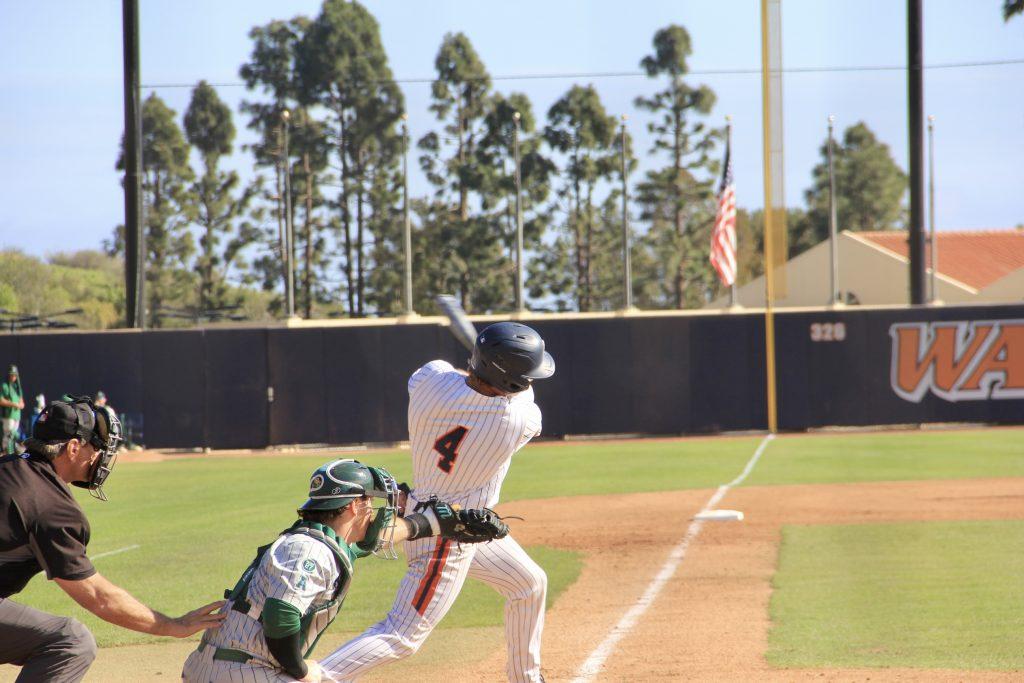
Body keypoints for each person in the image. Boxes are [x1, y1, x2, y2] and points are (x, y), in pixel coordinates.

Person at [320, 321, 555, 683]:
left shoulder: (430, 383)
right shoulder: (512, 420)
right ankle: (313, 678)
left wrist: (481, 364)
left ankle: (526, 678)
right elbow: (522, 397)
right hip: (447, 533)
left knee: (529, 583)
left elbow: (448, 372)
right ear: (510, 382)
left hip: (429, 509)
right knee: (401, 636)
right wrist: (490, 370)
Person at [182, 458, 508, 683]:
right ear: (354, 505)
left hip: (228, 666)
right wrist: (299, 670)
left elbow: (366, 543)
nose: (374, 511)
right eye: (370, 502)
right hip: (239, 673)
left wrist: (429, 524)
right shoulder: (309, 550)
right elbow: (281, 616)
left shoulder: (319, 541)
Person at [0, 396, 226, 682]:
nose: (101, 455)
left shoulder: (8, 466)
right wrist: (174, 625)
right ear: (72, 448)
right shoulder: (52, 506)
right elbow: (99, 597)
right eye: (96, 447)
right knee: (71, 641)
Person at [1, 365, 24, 454]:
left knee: (14, 434)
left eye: (14, 375)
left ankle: (13, 449)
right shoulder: (4, 386)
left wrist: (20, 405)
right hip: (8, 415)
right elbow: (1, 400)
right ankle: (5, 451)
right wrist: (13, 404)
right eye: (11, 375)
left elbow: (22, 402)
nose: (13, 377)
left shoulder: (17, 387)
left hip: (16, 416)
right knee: (8, 433)